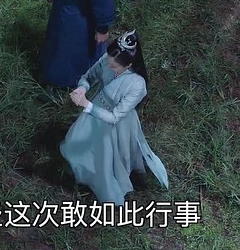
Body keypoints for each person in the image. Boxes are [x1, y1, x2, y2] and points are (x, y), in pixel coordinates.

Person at [60, 30, 169, 206]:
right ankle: (81, 170)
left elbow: (114, 117)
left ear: (129, 65)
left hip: (116, 121)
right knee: (78, 141)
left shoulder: (137, 84)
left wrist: (87, 105)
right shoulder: (108, 59)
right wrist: (82, 88)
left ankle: (106, 182)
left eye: (115, 67)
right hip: (95, 109)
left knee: (106, 156)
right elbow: (89, 76)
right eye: (109, 63)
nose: (110, 67)